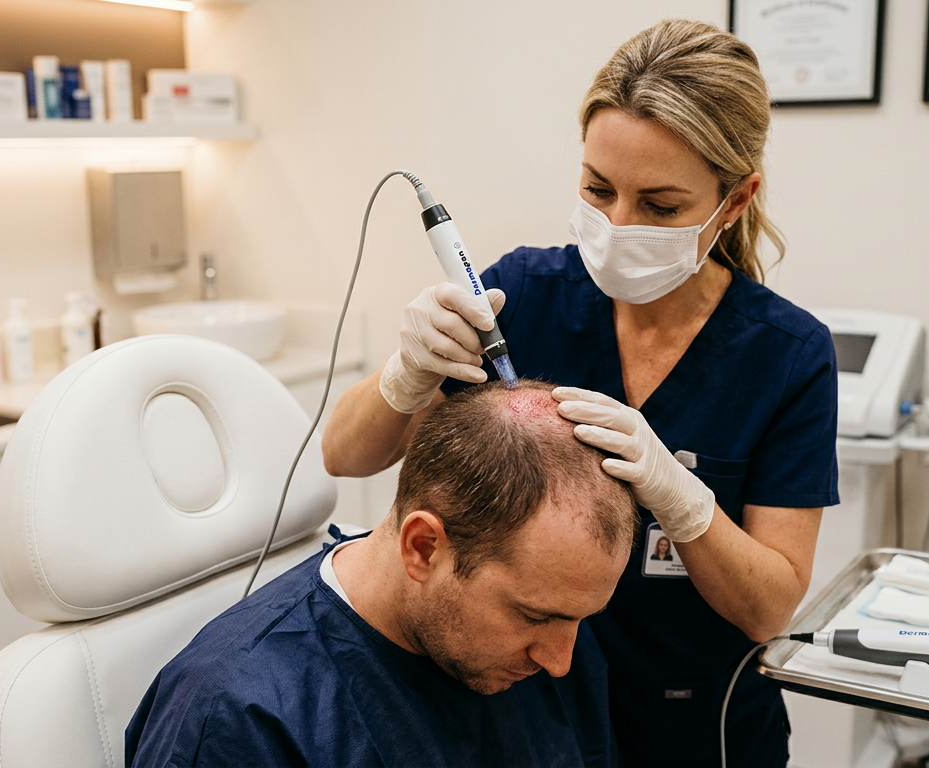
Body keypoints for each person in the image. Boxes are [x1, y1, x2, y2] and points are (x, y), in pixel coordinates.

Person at [322, 19, 838, 767]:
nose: (618, 224)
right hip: (518, 717)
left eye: (660, 206)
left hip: (693, 727)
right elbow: (345, 455)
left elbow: (769, 608)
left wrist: (684, 502)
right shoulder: (524, 293)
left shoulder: (786, 354)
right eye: (599, 189)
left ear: (734, 200)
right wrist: (406, 375)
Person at [126, 381, 638, 767]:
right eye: (532, 616)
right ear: (423, 547)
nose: (560, 662)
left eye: (579, 618)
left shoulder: (556, 619)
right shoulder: (243, 717)